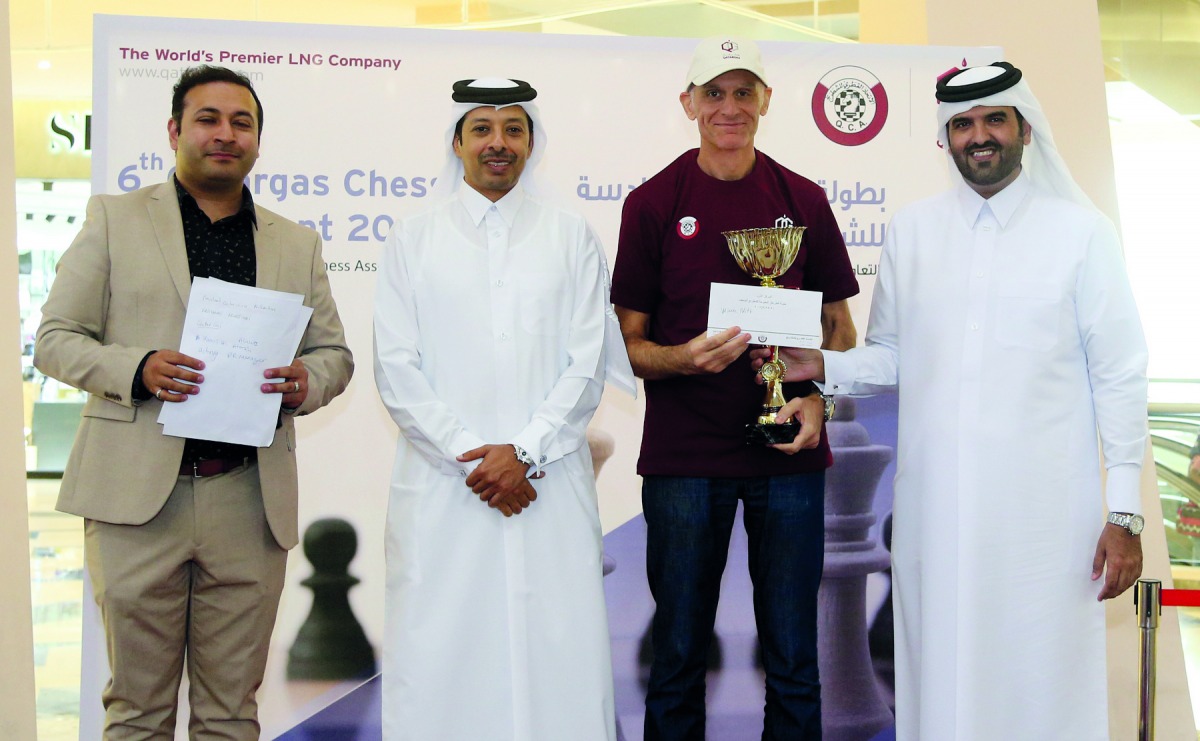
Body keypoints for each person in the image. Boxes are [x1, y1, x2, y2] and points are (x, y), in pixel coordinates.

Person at [766, 61, 1148, 740]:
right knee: (941, 677)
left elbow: (1119, 376)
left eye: (994, 119)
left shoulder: (1082, 235)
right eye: (962, 124)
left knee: (1042, 677)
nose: (979, 136)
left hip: (1046, 525)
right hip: (934, 515)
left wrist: (1124, 513)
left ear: (1024, 129)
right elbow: (893, 355)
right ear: (945, 138)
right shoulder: (913, 231)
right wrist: (824, 364)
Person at [34, 65, 353, 738]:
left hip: (246, 499)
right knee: (137, 710)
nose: (225, 133)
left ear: (259, 141)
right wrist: (138, 367)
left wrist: (307, 381)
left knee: (232, 713)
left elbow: (334, 355)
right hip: (135, 500)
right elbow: (57, 340)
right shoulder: (115, 219)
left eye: (242, 122)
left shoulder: (295, 243)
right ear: (175, 130)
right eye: (208, 118)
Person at [610, 36, 859, 740]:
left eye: (743, 92)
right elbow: (628, 344)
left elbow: (839, 332)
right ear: (688, 103)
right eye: (713, 92)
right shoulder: (654, 203)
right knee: (681, 654)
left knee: (793, 656)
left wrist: (817, 397)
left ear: (765, 103)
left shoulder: (802, 199)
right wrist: (682, 359)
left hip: (790, 459)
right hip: (684, 461)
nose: (729, 107)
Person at [373, 78, 635, 741]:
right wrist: (474, 455)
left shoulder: (571, 236)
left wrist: (523, 452)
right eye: (482, 129)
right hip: (445, 489)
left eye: (513, 129)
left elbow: (587, 363)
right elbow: (395, 368)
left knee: (560, 656)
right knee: (441, 656)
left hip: (544, 485)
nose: (498, 143)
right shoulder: (413, 239)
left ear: (531, 143)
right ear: (457, 142)